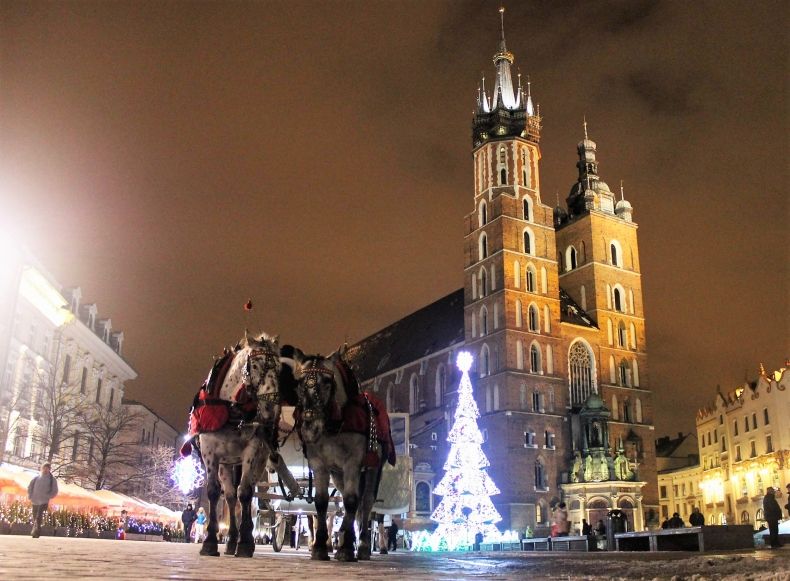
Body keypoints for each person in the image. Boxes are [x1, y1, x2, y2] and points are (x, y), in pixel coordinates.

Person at [27, 463, 58, 538]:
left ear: (49, 469)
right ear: (42, 468)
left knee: (39, 516)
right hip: (35, 500)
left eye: (47, 468)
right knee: (35, 516)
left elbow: (55, 490)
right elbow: (30, 487)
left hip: (44, 501)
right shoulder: (36, 478)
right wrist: (30, 496)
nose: (45, 469)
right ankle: (35, 529)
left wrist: (49, 496)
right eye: (44, 468)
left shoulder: (52, 479)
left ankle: (36, 532)